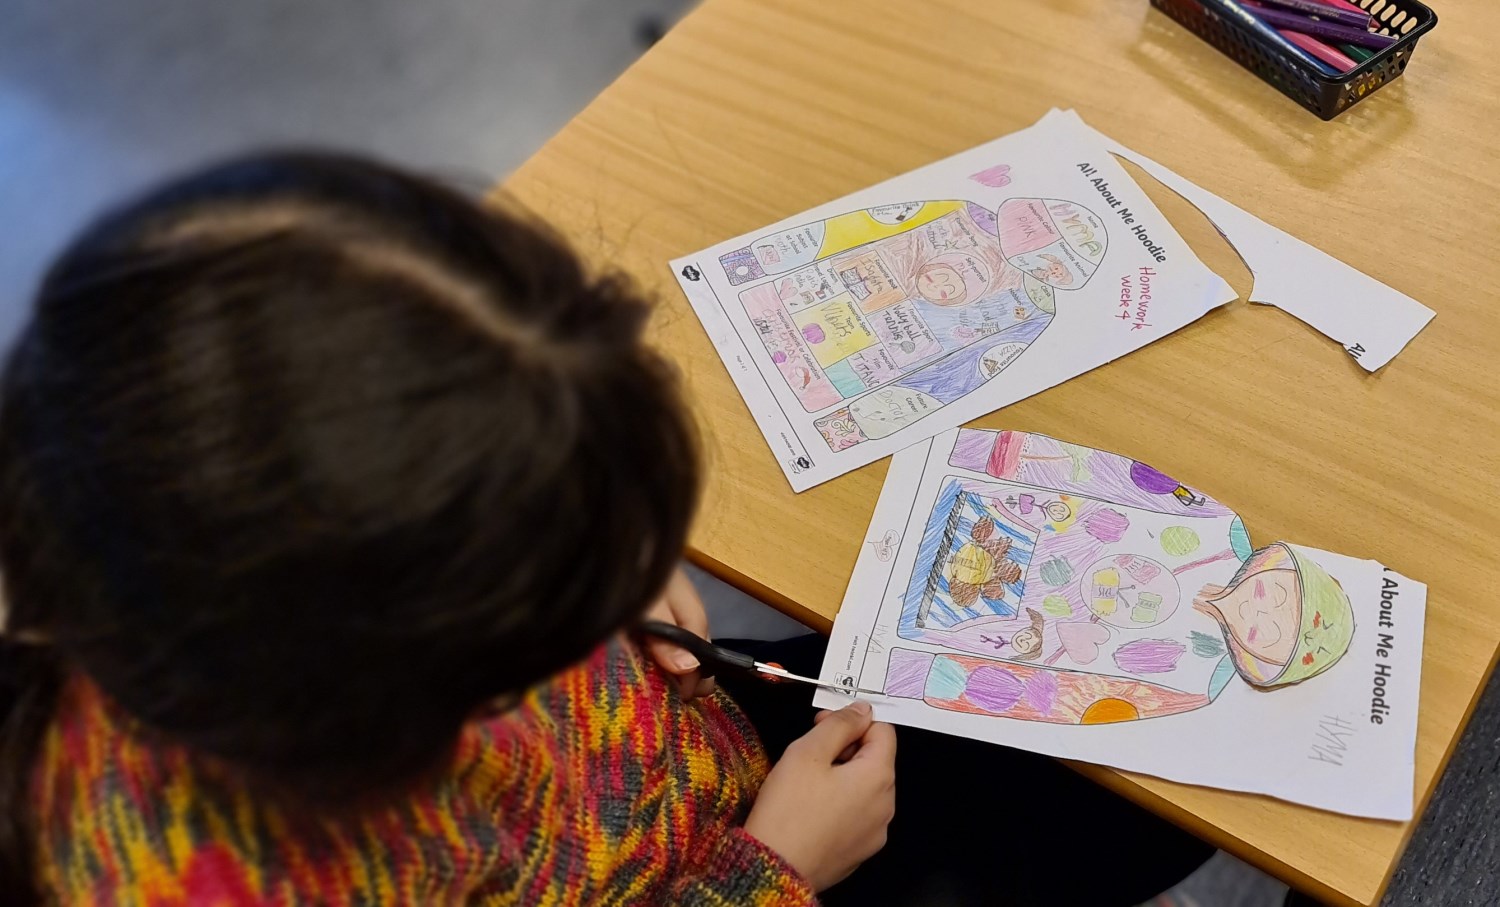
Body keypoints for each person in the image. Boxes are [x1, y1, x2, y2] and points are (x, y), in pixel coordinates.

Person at [0, 153, 894, 905]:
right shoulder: (219, 876)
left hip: (729, 771)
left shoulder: (280, 558)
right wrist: (769, 875)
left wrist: (593, 547)